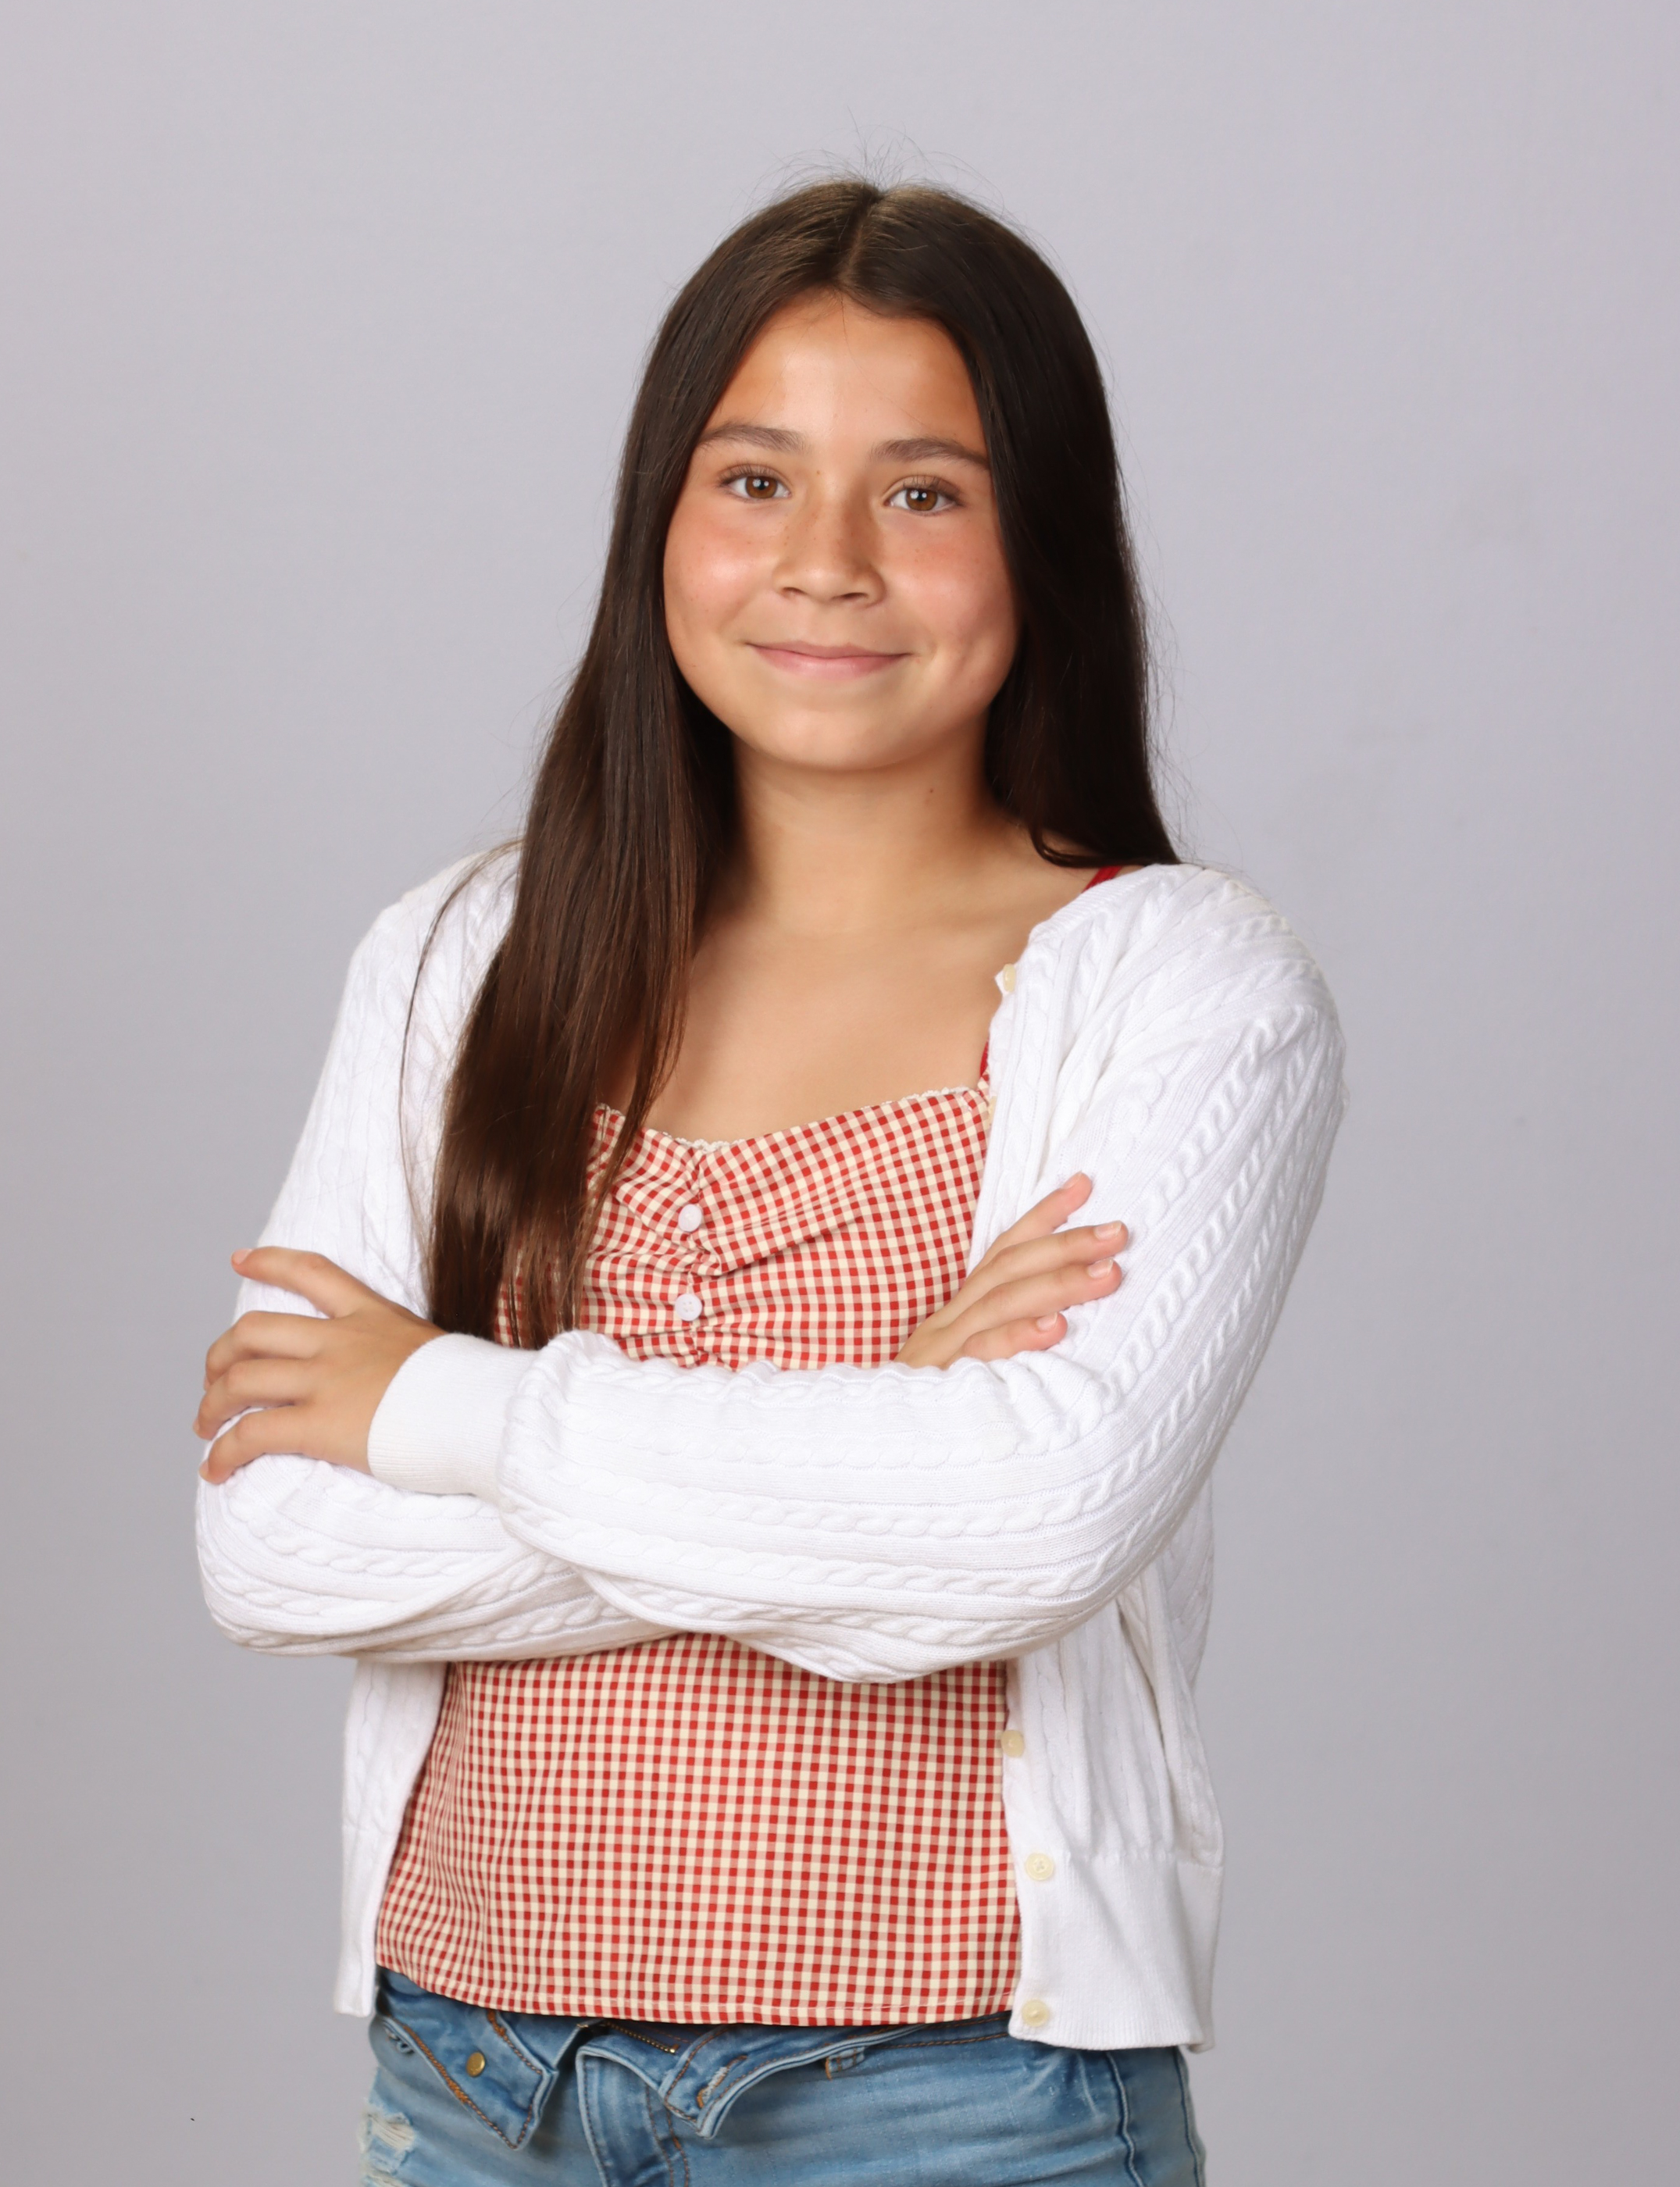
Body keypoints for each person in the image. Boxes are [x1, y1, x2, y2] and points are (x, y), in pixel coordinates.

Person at [194, 177, 1344, 2187]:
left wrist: (444, 1409)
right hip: (478, 2085)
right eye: (752, 480)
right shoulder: (462, 956)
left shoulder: (1179, 980)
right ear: (660, 522)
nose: (825, 560)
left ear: (1042, 541)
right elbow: (278, 1541)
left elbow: (1031, 1519)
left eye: (923, 491)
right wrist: (880, 1426)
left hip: (951, 2097)